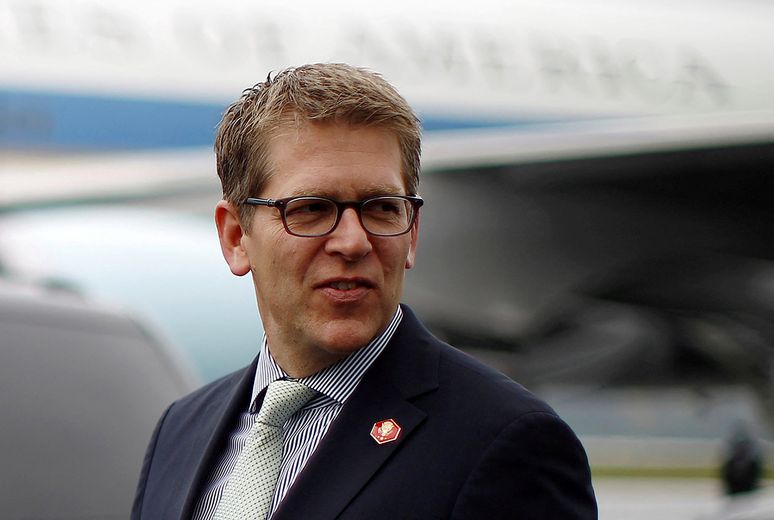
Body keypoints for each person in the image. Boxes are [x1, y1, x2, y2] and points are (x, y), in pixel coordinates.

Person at [131, 63, 597, 519]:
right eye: (311, 208)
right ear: (235, 237)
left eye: (382, 209)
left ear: (411, 233)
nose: (354, 241)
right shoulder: (182, 429)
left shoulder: (505, 440)